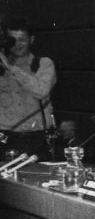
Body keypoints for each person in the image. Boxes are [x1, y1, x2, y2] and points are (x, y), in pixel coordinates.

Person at [0, 17, 56, 158]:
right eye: (12, 40)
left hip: (35, 138)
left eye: (22, 40)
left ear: (31, 39)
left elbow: (41, 91)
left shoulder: (43, 64)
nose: (17, 44)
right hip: (6, 137)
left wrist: (11, 68)